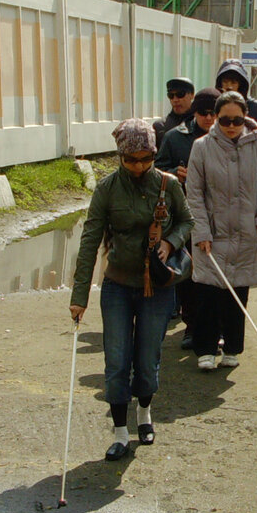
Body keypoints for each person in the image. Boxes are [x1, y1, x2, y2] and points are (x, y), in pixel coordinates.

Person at [70, 119, 194, 461]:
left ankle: (145, 412)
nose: (139, 166)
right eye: (131, 159)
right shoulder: (107, 189)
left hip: (157, 286)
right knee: (116, 359)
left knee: (147, 357)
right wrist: (79, 296)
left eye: (145, 159)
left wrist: (171, 242)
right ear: (120, 156)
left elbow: (187, 220)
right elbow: (89, 240)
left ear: (153, 154)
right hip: (118, 286)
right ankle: (120, 432)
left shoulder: (168, 185)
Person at [187, 91, 257, 371]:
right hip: (211, 236)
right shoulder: (202, 147)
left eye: (237, 120)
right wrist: (201, 231)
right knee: (207, 295)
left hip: (246, 234)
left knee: (237, 294)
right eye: (225, 119)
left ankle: (233, 347)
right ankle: (205, 348)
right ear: (216, 117)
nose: (230, 126)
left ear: (245, 118)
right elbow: (193, 194)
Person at [155, 87, 219, 350]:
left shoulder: (226, 137)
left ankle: (215, 329)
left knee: (215, 274)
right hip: (185, 214)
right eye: (203, 113)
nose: (209, 119)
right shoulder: (175, 137)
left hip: (218, 215)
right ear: (195, 112)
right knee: (189, 273)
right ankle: (191, 327)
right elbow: (156, 169)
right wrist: (174, 173)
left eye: (214, 113)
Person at [214, 59, 257, 153]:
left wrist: (251, 133)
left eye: (233, 82)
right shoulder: (213, 105)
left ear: (241, 85)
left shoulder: (255, 107)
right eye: (225, 82)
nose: (229, 86)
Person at [153, 77, 195, 148]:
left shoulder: (200, 123)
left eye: (180, 94)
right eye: (171, 96)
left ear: (192, 95)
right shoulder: (160, 127)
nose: (175, 100)